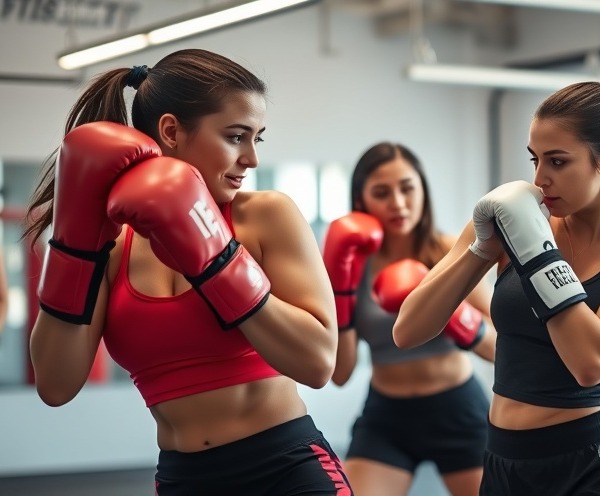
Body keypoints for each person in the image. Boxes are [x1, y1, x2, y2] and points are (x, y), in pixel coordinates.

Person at [24, 49, 353, 495]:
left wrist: (216, 258)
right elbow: (55, 385)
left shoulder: (265, 216)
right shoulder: (111, 246)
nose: (251, 158)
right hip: (185, 480)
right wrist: (76, 245)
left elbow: (317, 363)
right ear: (171, 131)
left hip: (288, 470)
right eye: (236, 136)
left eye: (258, 138)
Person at [393, 73, 600, 496]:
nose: (539, 180)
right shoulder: (513, 221)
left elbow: (591, 363)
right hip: (502, 464)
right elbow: (409, 330)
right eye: (534, 159)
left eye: (557, 161)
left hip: (590, 468)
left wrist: (535, 249)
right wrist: (482, 249)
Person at [323, 142, 496, 496]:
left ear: (422, 190)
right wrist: (340, 292)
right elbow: (340, 374)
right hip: (387, 417)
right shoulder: (352, 266)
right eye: (382, 193)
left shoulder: (452, 251)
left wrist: (456, 316)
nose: (398, 203)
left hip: (459, 410)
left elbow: (503, 347)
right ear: (361, 200)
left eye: (407, 188)